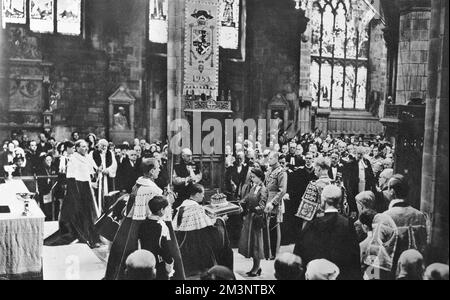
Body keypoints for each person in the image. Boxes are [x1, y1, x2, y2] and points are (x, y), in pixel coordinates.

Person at [105, 158, 184, 280]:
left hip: (131, 226)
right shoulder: (152, 189)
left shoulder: (138, 184)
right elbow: (156, 210)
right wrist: (168, 201)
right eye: (157, 168)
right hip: (149, 228)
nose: (159, 170)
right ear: (152, 171)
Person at [294, 185, 362, 280]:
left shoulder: (312, 224)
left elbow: (299, 252)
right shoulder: (347, 224)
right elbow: (354, 258)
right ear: (339, 201)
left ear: (323, 200)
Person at [44, 140, 101, 248]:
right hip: (76, 188)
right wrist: (75, 193)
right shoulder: (73, 159)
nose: (85, 148)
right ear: (77, 148)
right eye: (83, 147)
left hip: (86, 188)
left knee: (88, 213)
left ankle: (89, 236)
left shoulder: (87, 158)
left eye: (86, 146)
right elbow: (70, 177)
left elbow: (89, 173)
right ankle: (80, 235)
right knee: (75, 213)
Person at [173, 184, 227, 279]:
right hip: (194, 242)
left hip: (182, 241)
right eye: (202, 194)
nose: (203, 196)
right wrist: (221, 219)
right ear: (197, 194)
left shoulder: (184, 204)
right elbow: (209, 224)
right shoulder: (195, 207)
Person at [384, 174, 428, 276]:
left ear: (392, 192)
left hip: (393, 271)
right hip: (415, 271)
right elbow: (424, 244)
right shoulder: (420, 215)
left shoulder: (385, 217)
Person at [238, 168, 267, 277]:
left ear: (260, 177)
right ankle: (255, 267)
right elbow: (247, 198)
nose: (252, 178)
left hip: (257, 218)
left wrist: (256, 211)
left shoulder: (263, 189)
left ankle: (256, 268)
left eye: (254, 177)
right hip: (250, 217)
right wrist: (241, 203)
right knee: (251, 243)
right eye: (251, 176)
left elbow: (263, 205)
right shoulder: (253, 187)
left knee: (256, 244)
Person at [139, 196, 174, 280]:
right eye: (166, 209)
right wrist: (169, 262)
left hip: (145, 259)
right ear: (162, 210)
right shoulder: (162, 226)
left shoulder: (143, 223)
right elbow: (165, 246)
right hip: (158, 262)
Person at [264, 151, 287, 260]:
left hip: (275, 203)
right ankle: (268, 252)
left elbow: (282, 191)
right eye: (268, 158)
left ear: (277, 159)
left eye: (271, 158)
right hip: (266, 200)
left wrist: (273, 202)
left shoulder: (281, 172)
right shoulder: (269, 171)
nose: (269, 160)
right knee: (267, 227)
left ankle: (274, 253)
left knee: (274, 227)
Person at [90, 139, 117, 211]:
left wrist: (108, 170)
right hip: (98, 177)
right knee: (97, 197)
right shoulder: (92, 153)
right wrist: (97, 169)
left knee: (108, 195)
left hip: (107, 178)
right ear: (98, 145)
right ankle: (98, 212)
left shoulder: (110, 153)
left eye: (105, 146)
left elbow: (114, 165)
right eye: (102, 145)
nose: (104, 147)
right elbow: (90, 164)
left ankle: (108, 212)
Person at [37, 154, 58, 221]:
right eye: (47, 160)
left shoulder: (54, 167)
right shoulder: (40, 169)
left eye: (50, 160)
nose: (49, 161)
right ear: (44, 161)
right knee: (44, 207)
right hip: (44, 190)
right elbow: (40, 181)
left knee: (52, 206)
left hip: (52, 189)